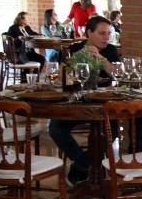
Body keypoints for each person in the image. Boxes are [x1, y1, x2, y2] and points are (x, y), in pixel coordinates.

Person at [49, 16, 120, 184]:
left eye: (109, 33)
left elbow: (118, 74)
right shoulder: (75, 48)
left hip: (103, 105)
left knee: (113, 130)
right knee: (55, 128)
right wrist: (78, 57)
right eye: (102, 33)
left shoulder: (110, 50)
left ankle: (81, 166)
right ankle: (84, 162)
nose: (106, 37)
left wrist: (101, 59)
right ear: (89, 32)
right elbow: (61, 75)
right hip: (77, 103)